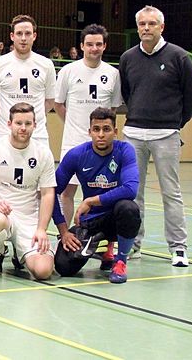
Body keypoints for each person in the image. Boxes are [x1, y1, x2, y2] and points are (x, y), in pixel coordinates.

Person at [119, 5, 192, 267]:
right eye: (142, 24)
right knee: (133, 193)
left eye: (151, 24)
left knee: (171, 192)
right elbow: (128, 92)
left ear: (161, 27)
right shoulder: (128, 58)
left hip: (166, 135)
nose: (146, 28)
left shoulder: (179, 57)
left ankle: (178, 247)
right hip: (133, 134)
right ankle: (133, 245)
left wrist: (174, 124)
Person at [52, 107, 141, 283]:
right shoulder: (76, 155)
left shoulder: (125, 151)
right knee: (64, 267)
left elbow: (131, 189)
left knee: (129, 208)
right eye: (96, 129)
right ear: (90, 132)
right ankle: (101, 245)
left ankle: (120, 260)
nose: (101, 134)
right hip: (91, 221)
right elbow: (52, 192)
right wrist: (63, 231)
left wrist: (92, 201)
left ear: (115, 132)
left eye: (106, 129)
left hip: (115, 219)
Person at [0, 103, 56, 280]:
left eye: (28, 124)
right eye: (19, 123)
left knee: (43, 272)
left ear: (35, 125)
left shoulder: (43, 153)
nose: (23, 128)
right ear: (9, 124)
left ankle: (19, 256)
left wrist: (42, 229)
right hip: (1, 214)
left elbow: (47, 193)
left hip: (29, 218)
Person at [54, 24, 122, 222]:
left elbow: (113, 109)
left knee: (104, 190)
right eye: (90, 44)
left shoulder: (112, 73)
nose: (94, 48)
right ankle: (66, 235)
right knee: (67, 191)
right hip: (73, 141)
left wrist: (100, 132)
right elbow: (58, 104)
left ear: (104, 46)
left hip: (103, 145)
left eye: (98, 44)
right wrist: (74, 125)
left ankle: (100, 237)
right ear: (82, 46)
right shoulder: (68, 71)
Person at [0, 15, 56, 146]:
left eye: (28, 33)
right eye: (19, 33)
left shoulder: (46, 65)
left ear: (34, 36)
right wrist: (9, 122)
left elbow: (50, 101)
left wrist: (32, 119)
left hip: (37, 135)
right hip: (5, 134)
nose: (23, 38)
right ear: (12, 36)